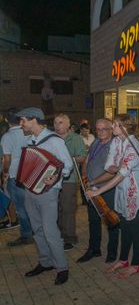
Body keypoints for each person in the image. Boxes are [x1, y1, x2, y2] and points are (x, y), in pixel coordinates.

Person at [87, 114, 139, 279]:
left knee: (135, 227)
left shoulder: (133, 144)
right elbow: (110, 166)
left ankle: (135, 264)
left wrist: (97, 191)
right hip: (122, 187)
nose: (112, 126)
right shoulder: (116, 141)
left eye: (114, 124)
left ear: (124, 127)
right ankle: (123, 259)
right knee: (125, 226)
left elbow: (120, 173)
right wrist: (118, 166)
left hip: (134, 188)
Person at [17, 107, 73, 285]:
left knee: (50, 231)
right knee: (37, 230)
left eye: (23, 120)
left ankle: (62, 267)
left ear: (34, 120)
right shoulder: (30, 139)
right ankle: (45, 262)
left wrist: (55, 175)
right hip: (30, 190)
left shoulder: (54, 140)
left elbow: (68, 165)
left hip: (48, 192)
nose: (21, 124)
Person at [77, 118, 120, 264]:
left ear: (111, 130)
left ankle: (112, 252)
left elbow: (113, 172)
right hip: (91, 187)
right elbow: (87, 160)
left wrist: (93, 181)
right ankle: (94, 249)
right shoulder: (95, 142)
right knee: (93, 221)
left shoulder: (115, 145)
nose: (100, 132)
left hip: (107, 188)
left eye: (104, 129)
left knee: (111, 221)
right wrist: (84, 178)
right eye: (98, 129)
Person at [54, 114, 87, 251]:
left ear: (68, 125)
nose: (57, 125)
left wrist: (67, 158)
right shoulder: (51, 138)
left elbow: (82, 156)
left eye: (60, 122)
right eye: (55, 122)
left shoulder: (76, 138)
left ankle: (70, 238)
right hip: (53, 178)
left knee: (67, 209)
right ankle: (59, 234)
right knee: (56, 208)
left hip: (69, 179)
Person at [1, 108, 32, 245]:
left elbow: (6, 158)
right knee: (30, 205)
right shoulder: (28, 132)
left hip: (15, 175)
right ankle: (34, 231)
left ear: (7, 120)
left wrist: (5, 173)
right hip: (29, 174)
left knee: (20, 208)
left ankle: (26, 235)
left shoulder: (7, 136)